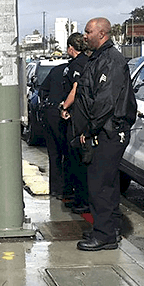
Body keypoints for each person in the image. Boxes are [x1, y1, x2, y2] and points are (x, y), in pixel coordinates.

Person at [72, 17, 137, 251]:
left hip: (108, 132)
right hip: (102, 131)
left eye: (88, 31)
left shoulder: (111, 60)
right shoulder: (98, 58)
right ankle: (106, 228)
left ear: (102, 34)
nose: (84, 35)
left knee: (100, 185)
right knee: (104, 184)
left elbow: (104, 102)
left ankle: (105, 235)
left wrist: (88, 130)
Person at [59, 33, 90, 215]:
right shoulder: (81, 62)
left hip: (78, 117)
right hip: (77, 115)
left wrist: (64, 106)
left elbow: (76, 88)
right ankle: (78, 198)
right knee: (74, 159)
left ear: (71, 47)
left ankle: (83, 200)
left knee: (78, 159)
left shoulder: (79, 64)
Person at [38, 62, 70, 201]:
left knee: (54, 154)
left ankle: (56, 189)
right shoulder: (81, 68)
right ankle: (67, 189)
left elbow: (42, 91)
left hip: (51, 113)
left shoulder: (57, 70)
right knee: (69, 154)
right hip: (65, 114)